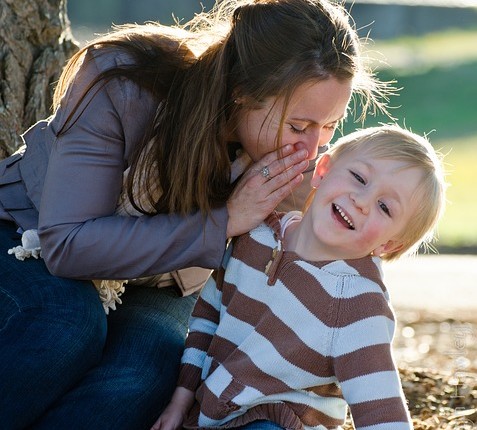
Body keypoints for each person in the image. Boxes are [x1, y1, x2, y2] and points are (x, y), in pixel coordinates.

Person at [0, 0, 390, 428]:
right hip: (28, 236)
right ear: (241, 91)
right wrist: (224, 221)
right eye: (298, 127)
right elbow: (67, 243)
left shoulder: (291, 158)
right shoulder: (124, 80)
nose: (312, 149)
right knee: (67, 324)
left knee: (145, 374)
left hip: (166, 279)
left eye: (329, 126)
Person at [153, 124, 447, 430]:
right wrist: (180, 400)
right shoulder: (257, 235)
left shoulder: (357, 304)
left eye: (384, 207)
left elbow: (382, 414)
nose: (361, 200)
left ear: (389, 244)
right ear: (323, 170)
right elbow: (206, 319)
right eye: (359, 177)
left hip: (280, 421)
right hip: (210, 412)